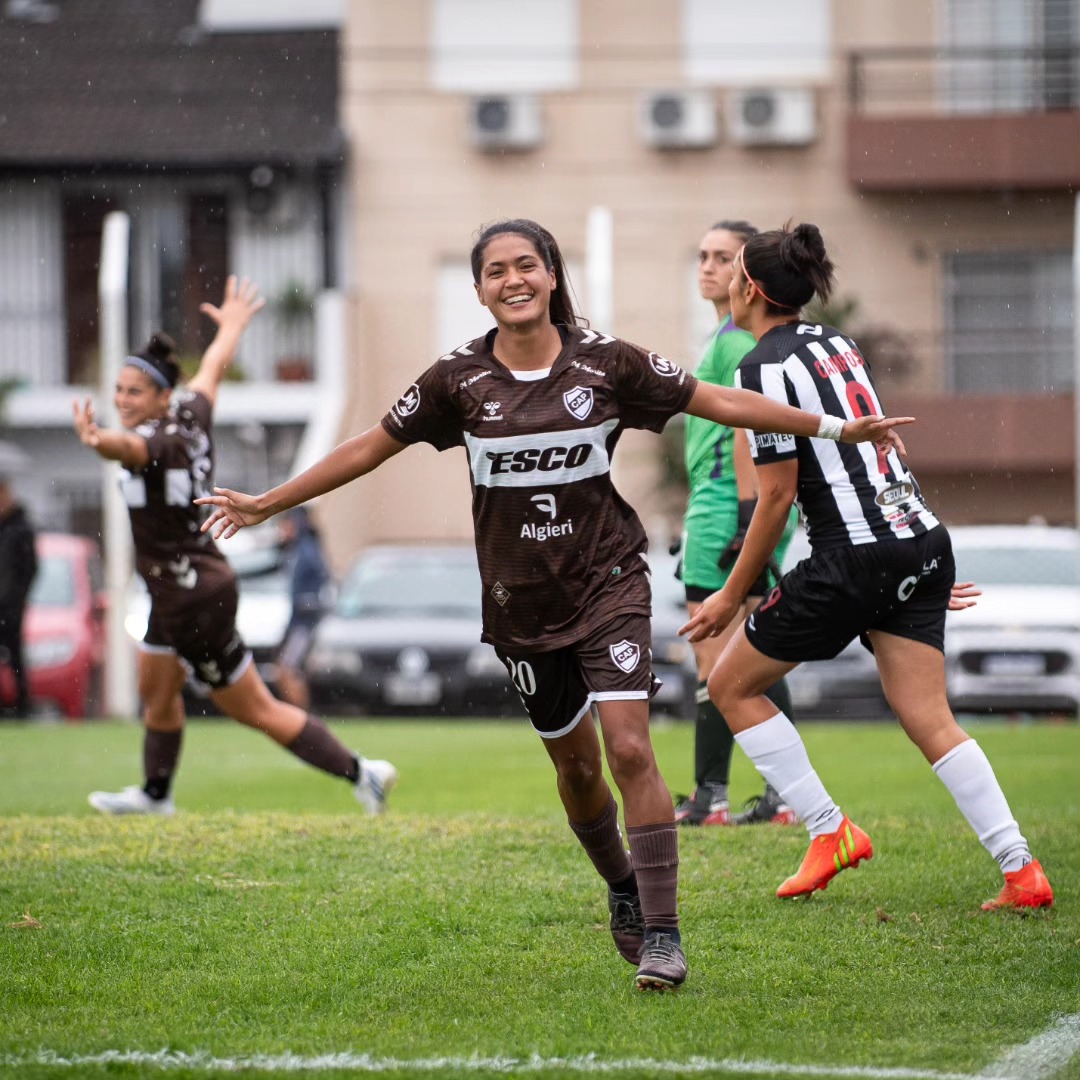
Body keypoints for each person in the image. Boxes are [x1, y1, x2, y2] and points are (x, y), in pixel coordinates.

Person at [195, 219, 912, 990]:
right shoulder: (456, 379)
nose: (514, 279)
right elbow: (371, 445)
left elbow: (719, 403)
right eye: (496, 270)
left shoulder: (607, 361)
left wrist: (835, 426)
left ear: (551, 275)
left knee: (630, 749)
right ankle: (624, 889)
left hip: (609, 583)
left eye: (527, 265)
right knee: (576, 773)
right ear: (478, 289)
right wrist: (271, 502)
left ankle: (666, 936)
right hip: (520, 609)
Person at [682, 222, 1053, 912]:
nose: (725, 284)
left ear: (752, 288)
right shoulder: (837, 342)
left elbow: (778, 497)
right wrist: (916, 561)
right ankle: (1021, 869)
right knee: (930, 718)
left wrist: (732, 595)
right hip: (919, 539)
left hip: (854, 555)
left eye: (732, 273)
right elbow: (882, 453)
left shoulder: (758, 367)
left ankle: (830, 831)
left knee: (732, 686)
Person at [72, 276, 397, 817]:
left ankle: (365, 772)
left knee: (256, 710)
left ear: (160, 398)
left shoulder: (157, 440)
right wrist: (232, 327)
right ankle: (156, 795)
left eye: (134, 392)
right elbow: (214, 367)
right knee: (157, 691)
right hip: (175, 590)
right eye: (119, 390)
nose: (122, 400)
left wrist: (96, 440)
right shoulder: (191, 412)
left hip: (195, 594)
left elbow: (125, 447)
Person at [674, 219, 800, 828]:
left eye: (722, 258)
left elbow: (752, 429)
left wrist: (749, 518)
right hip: (731, 505)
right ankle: (776, 797)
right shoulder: (727, 336)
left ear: (749, 277)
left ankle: (711, 798)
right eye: (702, 255)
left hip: (727, 507)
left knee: (716, 653)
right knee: (751, 654)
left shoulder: (735, 343)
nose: (707, 267)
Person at [274, 506, 330, 710]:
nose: (281, 529)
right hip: (300, 622)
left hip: (304, 624)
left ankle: (301, 720)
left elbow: (317, 588)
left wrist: (305, 611)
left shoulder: (306, 551)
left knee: (286, 671)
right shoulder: (299, 549)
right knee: (287, 671)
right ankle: (299, 719)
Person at [0, 475, 38, 719]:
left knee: (15, 655)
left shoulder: (20, 529)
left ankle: (22, 705)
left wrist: (17, 597)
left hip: (11, 606)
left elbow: (30, 567)